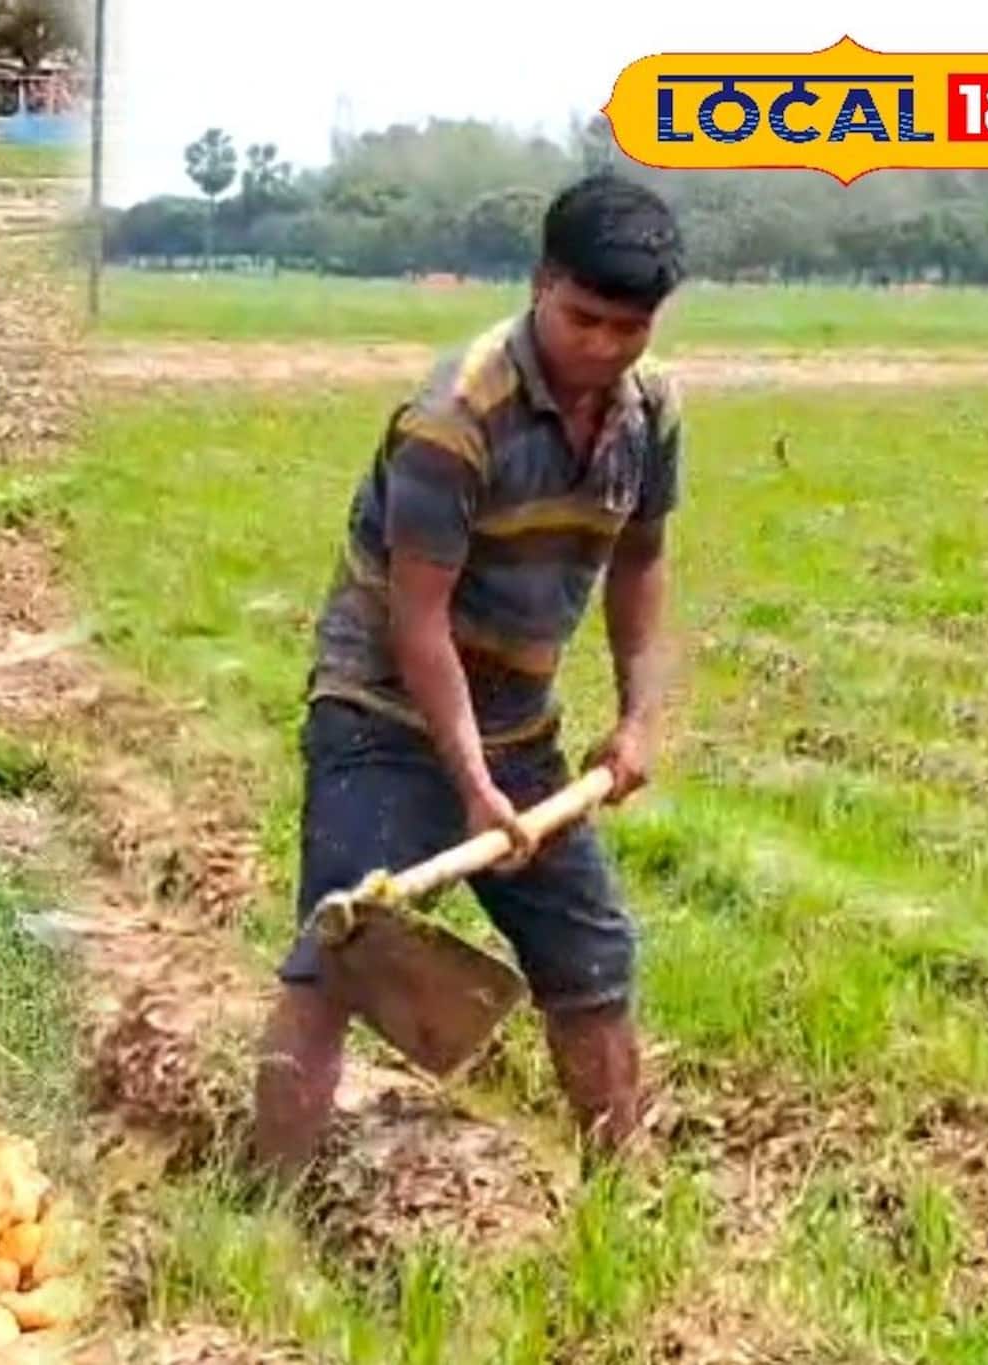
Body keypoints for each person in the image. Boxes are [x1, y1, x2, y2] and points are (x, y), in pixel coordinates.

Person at [254, 172, 686, 1170]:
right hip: (381, 708)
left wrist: (634, 719)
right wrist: (470, 786)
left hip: (518, 722)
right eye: (583, 319)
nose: (603, 348)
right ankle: (262, 1203)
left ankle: (619, 1200)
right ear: (540, 283)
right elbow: (417, 621)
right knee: (338, 953)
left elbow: (640, 559)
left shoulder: (647, 413)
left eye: (630, 328)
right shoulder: (454, 416)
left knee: (592, 959)